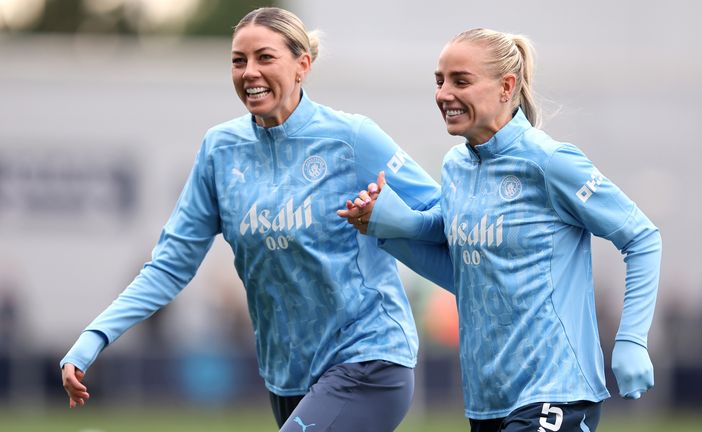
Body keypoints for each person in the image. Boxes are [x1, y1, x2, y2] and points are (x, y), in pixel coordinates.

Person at [60, 7, 441, 432]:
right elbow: (169, 266)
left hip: (369, 357)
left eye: (265, 57)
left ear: (302, 65)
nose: (249, 72)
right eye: (239, 61)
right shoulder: (220, 150)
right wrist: (93, 338)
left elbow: (440, 212)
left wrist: (391, 219)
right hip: (287, 376)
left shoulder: (351, 138)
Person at [339, 28, 662, 431]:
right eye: (439, 81)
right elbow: (461, 264)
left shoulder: (550, 162)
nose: (443, 94)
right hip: (488, 401)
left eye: (461, 81)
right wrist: (393, 225)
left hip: (556, 390)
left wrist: (632, 339)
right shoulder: (456, 166)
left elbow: (642, 237)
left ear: (506, 86)